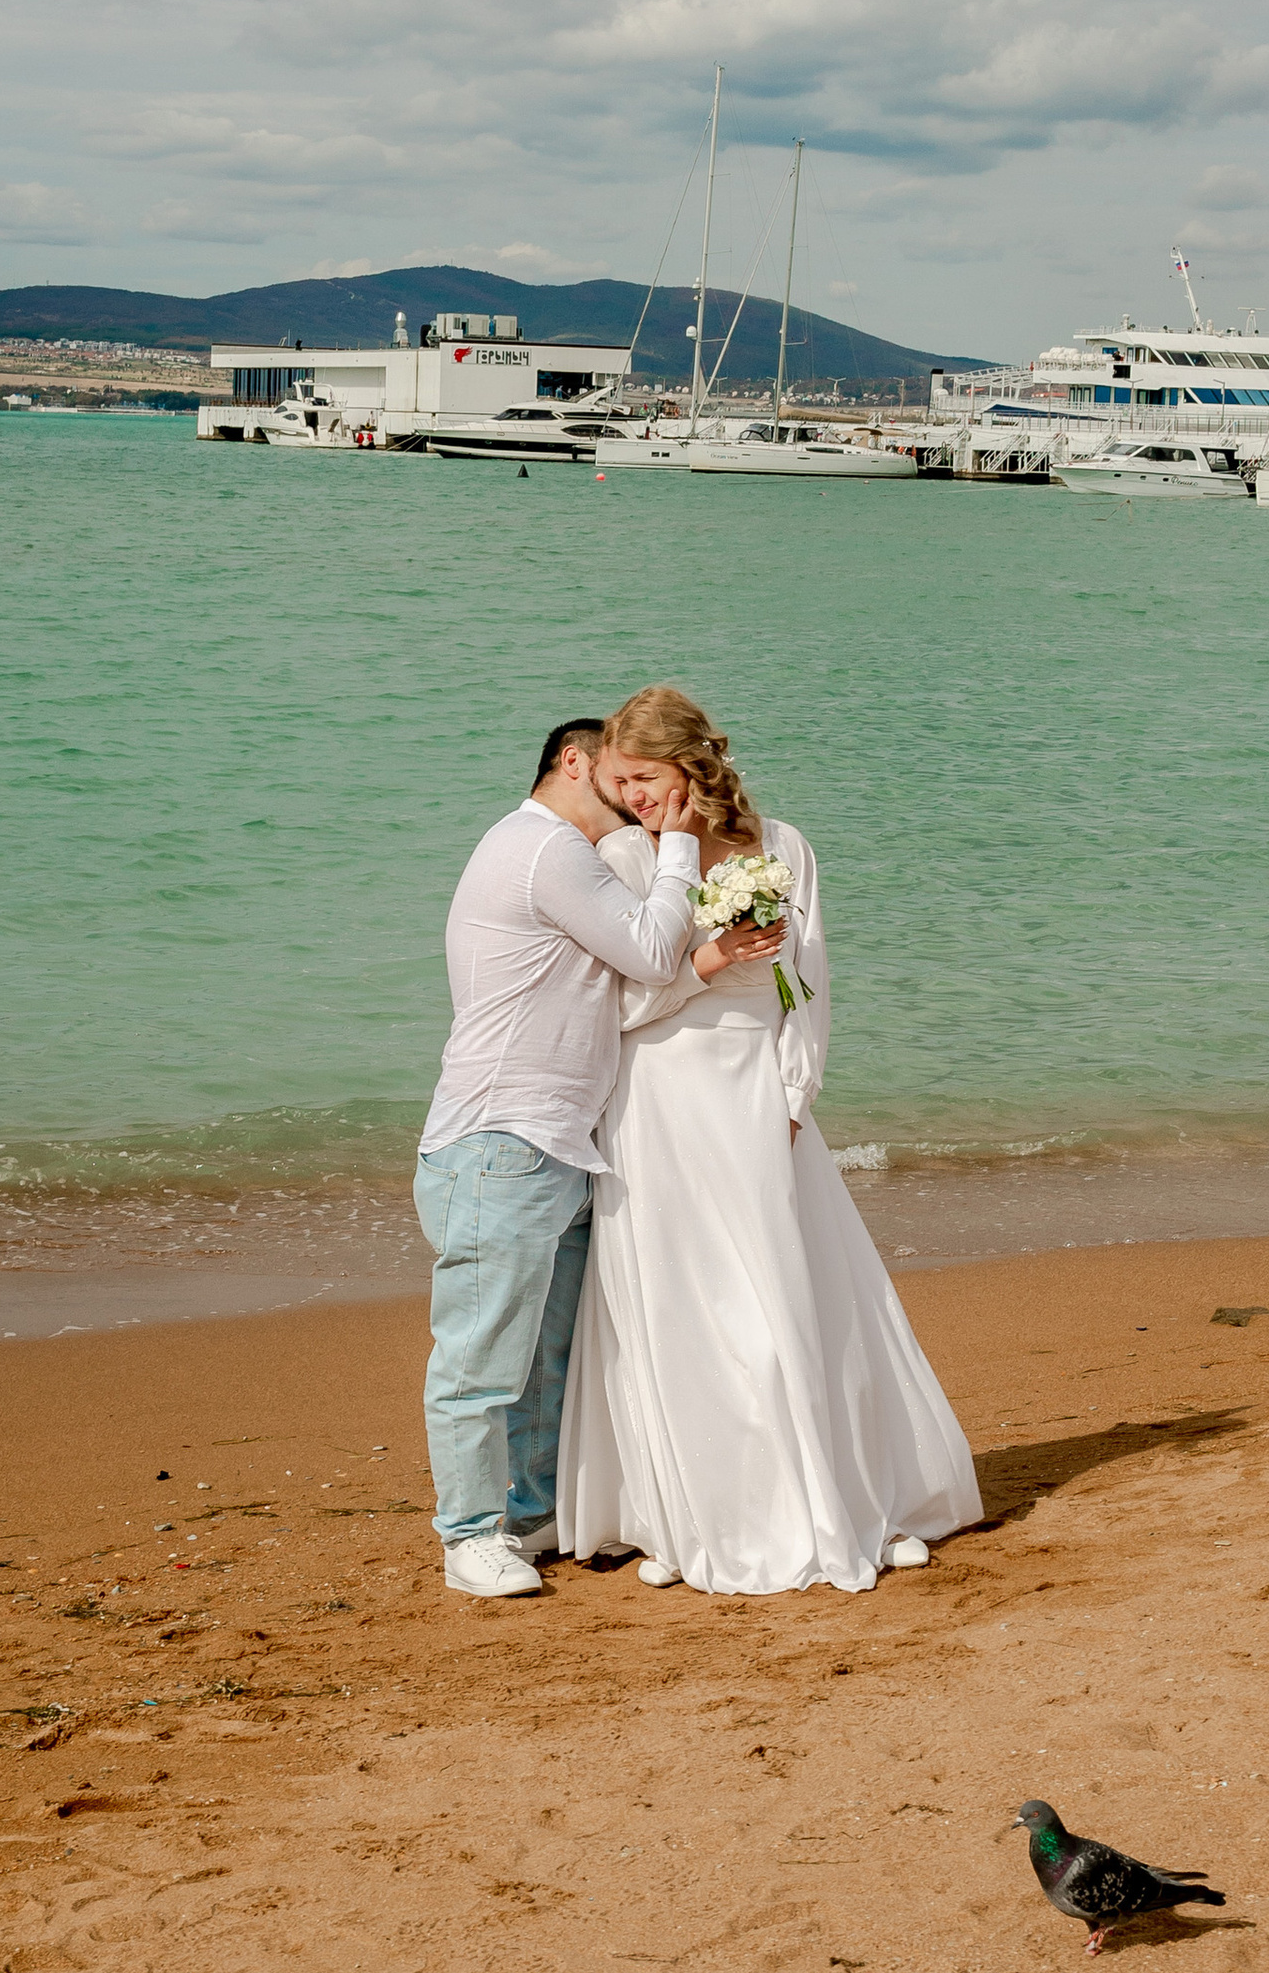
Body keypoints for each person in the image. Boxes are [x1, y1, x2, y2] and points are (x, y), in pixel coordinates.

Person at [556, 684, 982, 1595]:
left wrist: (796, 1092)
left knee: (790, 1290)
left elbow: (809, 979)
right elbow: (617, 1008)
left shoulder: (782, 846)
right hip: (656, 1097)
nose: (630, 794)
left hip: (755, 1091)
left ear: (691, 766)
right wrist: (705, 966)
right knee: (677, 1302)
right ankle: (685, 1512)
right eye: (620, 779)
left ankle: (836, 1495)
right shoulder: (622, 857)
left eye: (643, 776)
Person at [414, 717, 784, 1599]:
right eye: (620, 780)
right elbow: (654, 946)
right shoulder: (544, 850)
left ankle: (529, 1515)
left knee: (548, 1357)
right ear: (573, 763)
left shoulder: (560, 859)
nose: (634, 801)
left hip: (559, 1140)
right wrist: (683, 849)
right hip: (500, 1139)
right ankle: (468, 1536)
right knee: (481, 1359)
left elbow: (634, 983)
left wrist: (714, 955)